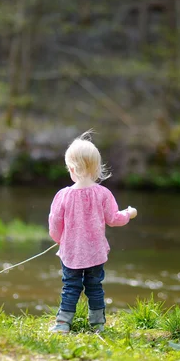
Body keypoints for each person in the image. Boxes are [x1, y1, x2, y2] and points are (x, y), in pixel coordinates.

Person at [48, 130, 137, 334]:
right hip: (96, 253)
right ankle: (98, 324)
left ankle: (63, 324)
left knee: (70, 287)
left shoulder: (63, 196)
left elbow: (54, 222)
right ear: (97, 167)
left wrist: (58, 239)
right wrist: (129, 213)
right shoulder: (103, 194)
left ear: (71, 168)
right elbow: (114, 219)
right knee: (95, 286)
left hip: (71, 253)